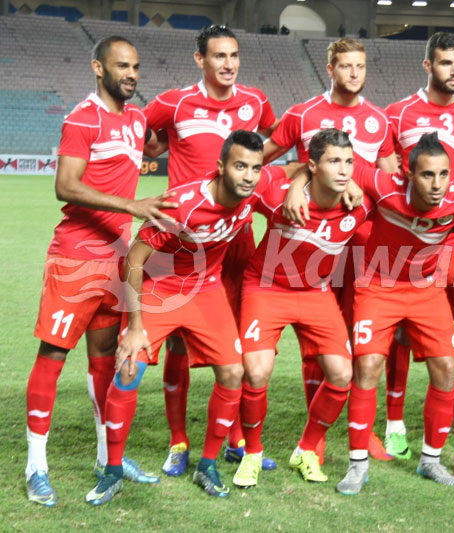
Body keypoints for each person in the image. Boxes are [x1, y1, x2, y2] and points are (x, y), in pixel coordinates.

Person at [334, 132, 454, 495]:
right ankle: (357, 466)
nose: (437, 184)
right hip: (377, 285)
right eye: (427, 175)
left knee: (446, 367)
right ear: (408, 175)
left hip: (426, 289)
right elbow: (332, 160)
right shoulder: (383, 184)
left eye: (443, 175)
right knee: (367, 367)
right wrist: (314, 184)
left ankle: (431, 460)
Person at [24, 35, 175, 507]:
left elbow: (155, 139)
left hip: (116, 260)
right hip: (74, 257)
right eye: (122, 66)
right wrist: (132, 204)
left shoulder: (134, 119)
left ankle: (107, 457)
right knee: (52, 356)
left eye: (135, 67)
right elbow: (64, 186)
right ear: (98, 68)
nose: (131, 74)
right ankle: (36, 467)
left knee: (105, 361)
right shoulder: (81, 118)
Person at [86, 130, 273, 505]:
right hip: (161, 288)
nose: (249, 176)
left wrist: (301, 183)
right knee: (128, 367)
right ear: (220, 168)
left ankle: (207, 465)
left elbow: (300, 170)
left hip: (205, 290)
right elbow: (133, 261)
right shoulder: (181, 205)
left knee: (233, 372)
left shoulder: (255, 190)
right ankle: (112, 471)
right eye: (240, 166)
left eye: (255, 167)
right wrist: (135, 328)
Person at [144, 24, 279, 476]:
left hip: (236, 236)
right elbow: (138, 137)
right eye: (218, 56)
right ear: (199, 59)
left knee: (236, 343)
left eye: (234, 55)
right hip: (183, 238)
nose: (228, 64)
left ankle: (236, 438)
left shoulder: (255, 101)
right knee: (179, 344)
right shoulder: (174, 102)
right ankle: (178, 440)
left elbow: (270, 143)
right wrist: (160, 147)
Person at [264, 37, 396, 462]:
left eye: (360, 66)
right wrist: (302, 176)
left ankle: (367, 431)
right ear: (330, 69)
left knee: (367, 343)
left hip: (364, 244)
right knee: (315, 345)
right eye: (345, 66)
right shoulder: (302, 115)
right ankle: (314, 436)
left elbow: (390, 178)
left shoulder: (379, 120)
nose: (353, 73)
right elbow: (265, 160)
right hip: (311, 246)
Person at [232, 129, 373, 488]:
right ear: (312, 166)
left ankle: (306, 450)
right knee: (257, 371)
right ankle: (252, 452)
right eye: (334, 162)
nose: (344, 171)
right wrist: (297, 181)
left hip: (315, 291)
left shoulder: (359, 203)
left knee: (342, 375)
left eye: (348, 162)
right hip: (266, 287)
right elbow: (258, 173)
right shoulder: (280, 196)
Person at [380, 32, 454, 459]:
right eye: (446, 63)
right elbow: (388, 169)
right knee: (403, 335)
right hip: (414, 245)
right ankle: (393, 422)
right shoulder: (399, 113)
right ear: (428, 66)